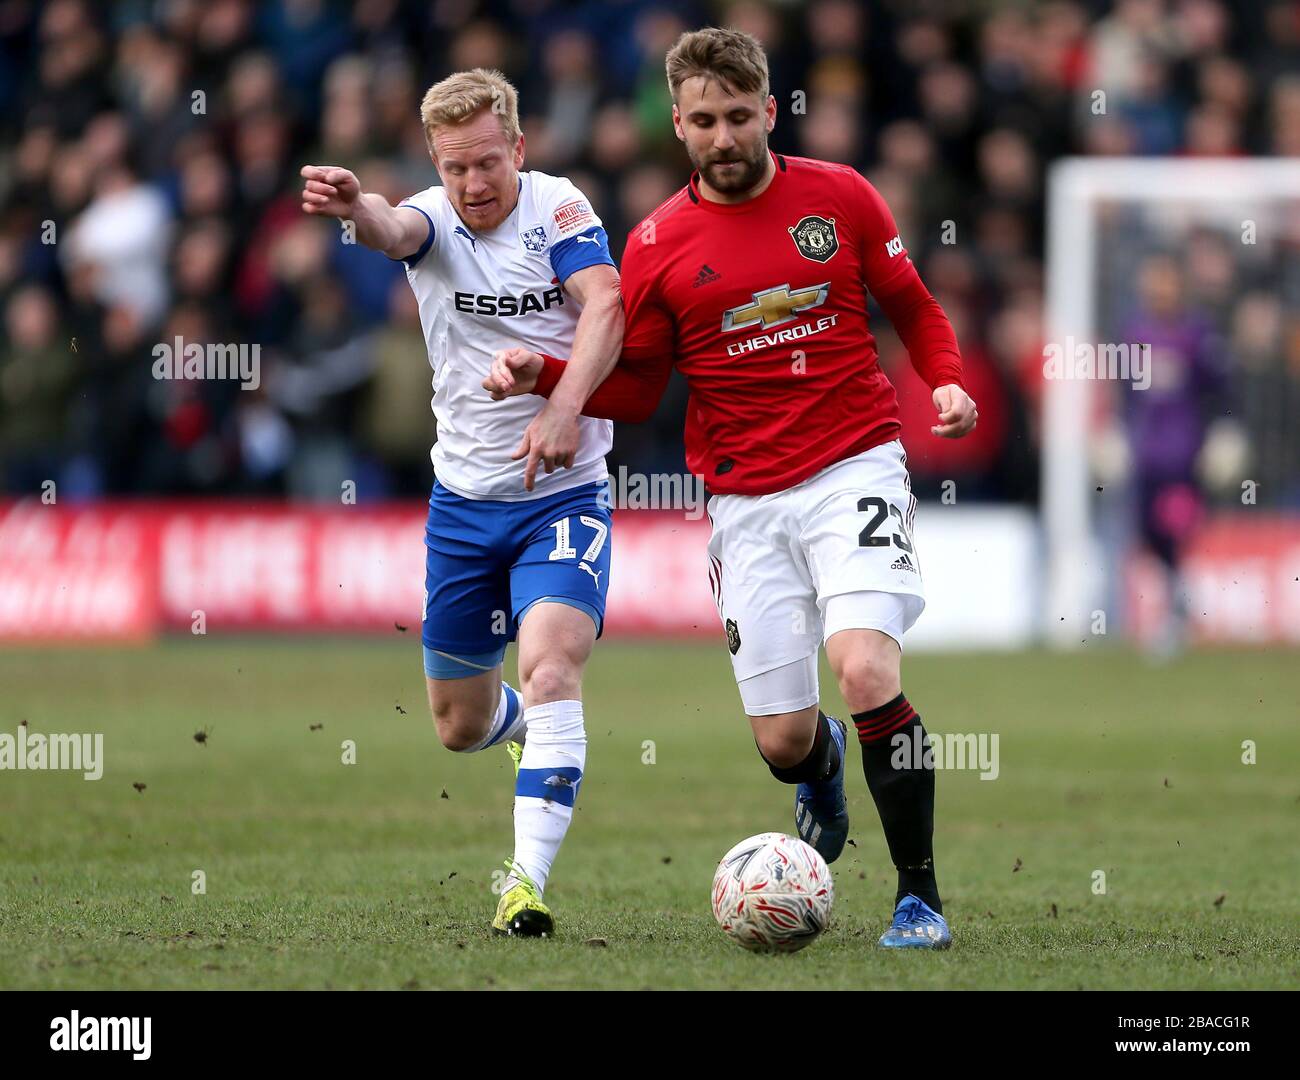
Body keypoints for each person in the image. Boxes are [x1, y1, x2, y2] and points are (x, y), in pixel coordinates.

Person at [485, 30, 976, 948]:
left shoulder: (841, 196)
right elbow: (635, 387)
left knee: (866, 668)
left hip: (854, 461)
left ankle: (919, 897)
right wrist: (551, 374)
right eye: (703, 121)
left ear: (769, 111)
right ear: (677, 123)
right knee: (783, 740)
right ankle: (824, 762)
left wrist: (944, 377)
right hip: (745, 501)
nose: (722, 137)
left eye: (738, 117)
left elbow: (910, 302)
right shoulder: (658, 243)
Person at [300, 67, 624, 937]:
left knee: (552, 668)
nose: (474, 185)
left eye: (488, 163)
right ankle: (521, 730)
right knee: (458, 724)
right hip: (464, 504)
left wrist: (563, 408)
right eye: (455, 168)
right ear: (435, 165)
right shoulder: (431, 218)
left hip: (564, 495)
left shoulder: (559, 211)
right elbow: (390, 226)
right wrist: (352, 205)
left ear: (518, 147)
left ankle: (523, 884)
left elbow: (607, 304)